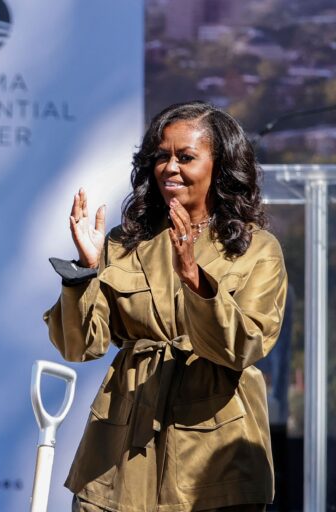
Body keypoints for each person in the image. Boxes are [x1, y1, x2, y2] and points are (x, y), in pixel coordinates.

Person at [44, 101, 286, 511]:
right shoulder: (125, 241)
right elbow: (79, 346)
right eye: (161, 156)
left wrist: (194, 279)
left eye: (186, 157)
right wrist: (85, 271)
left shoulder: (255, 249)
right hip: (120, 447)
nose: (169, 167)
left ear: (220, 166)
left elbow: (245, 346)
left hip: (215, 451)